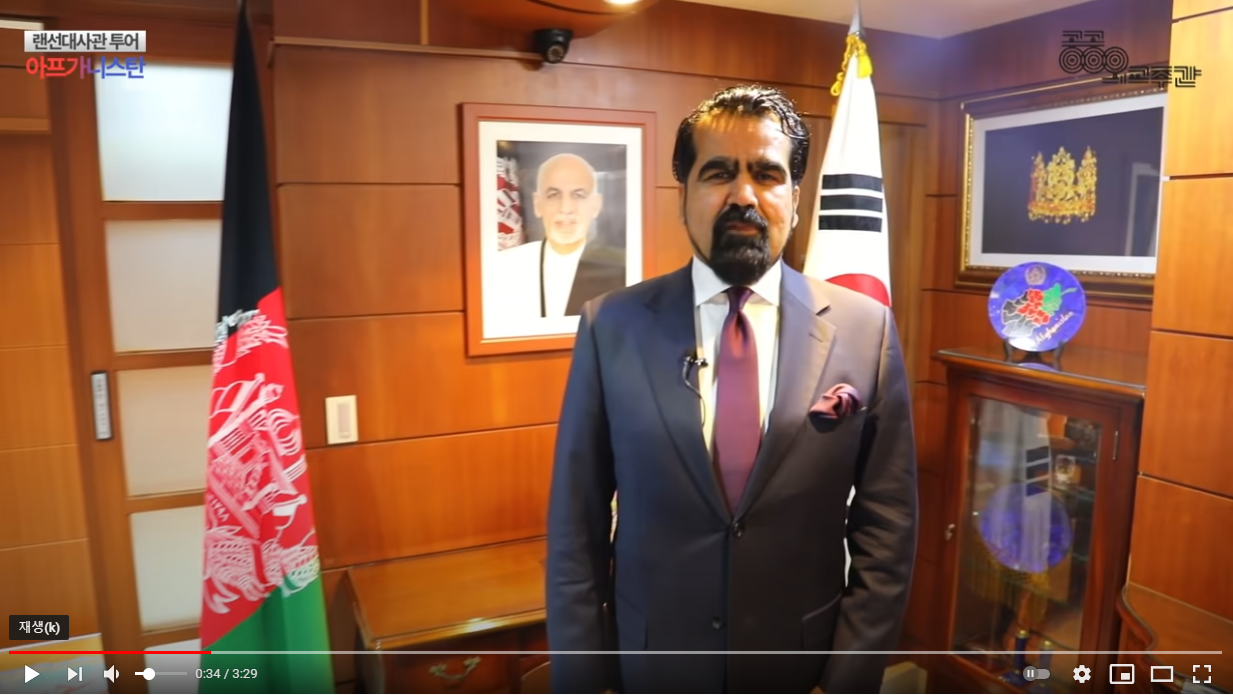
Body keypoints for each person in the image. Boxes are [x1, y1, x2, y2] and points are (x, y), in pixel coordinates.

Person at [545, 85, 918, 694]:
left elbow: (887, 529)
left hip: (800, 670)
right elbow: (575, 532)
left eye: (766, 174)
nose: (743, 194)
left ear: (795, 198)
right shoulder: (610, 326)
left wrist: (847, 681)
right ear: (684, 196)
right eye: (718, 173)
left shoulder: (864, 328)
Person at [492, 152, 625, 318]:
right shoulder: (503, 268)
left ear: (596, 205)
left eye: (578, 195)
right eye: (554, 195)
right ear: (537, 204)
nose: (565, 208)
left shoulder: (619, 269)